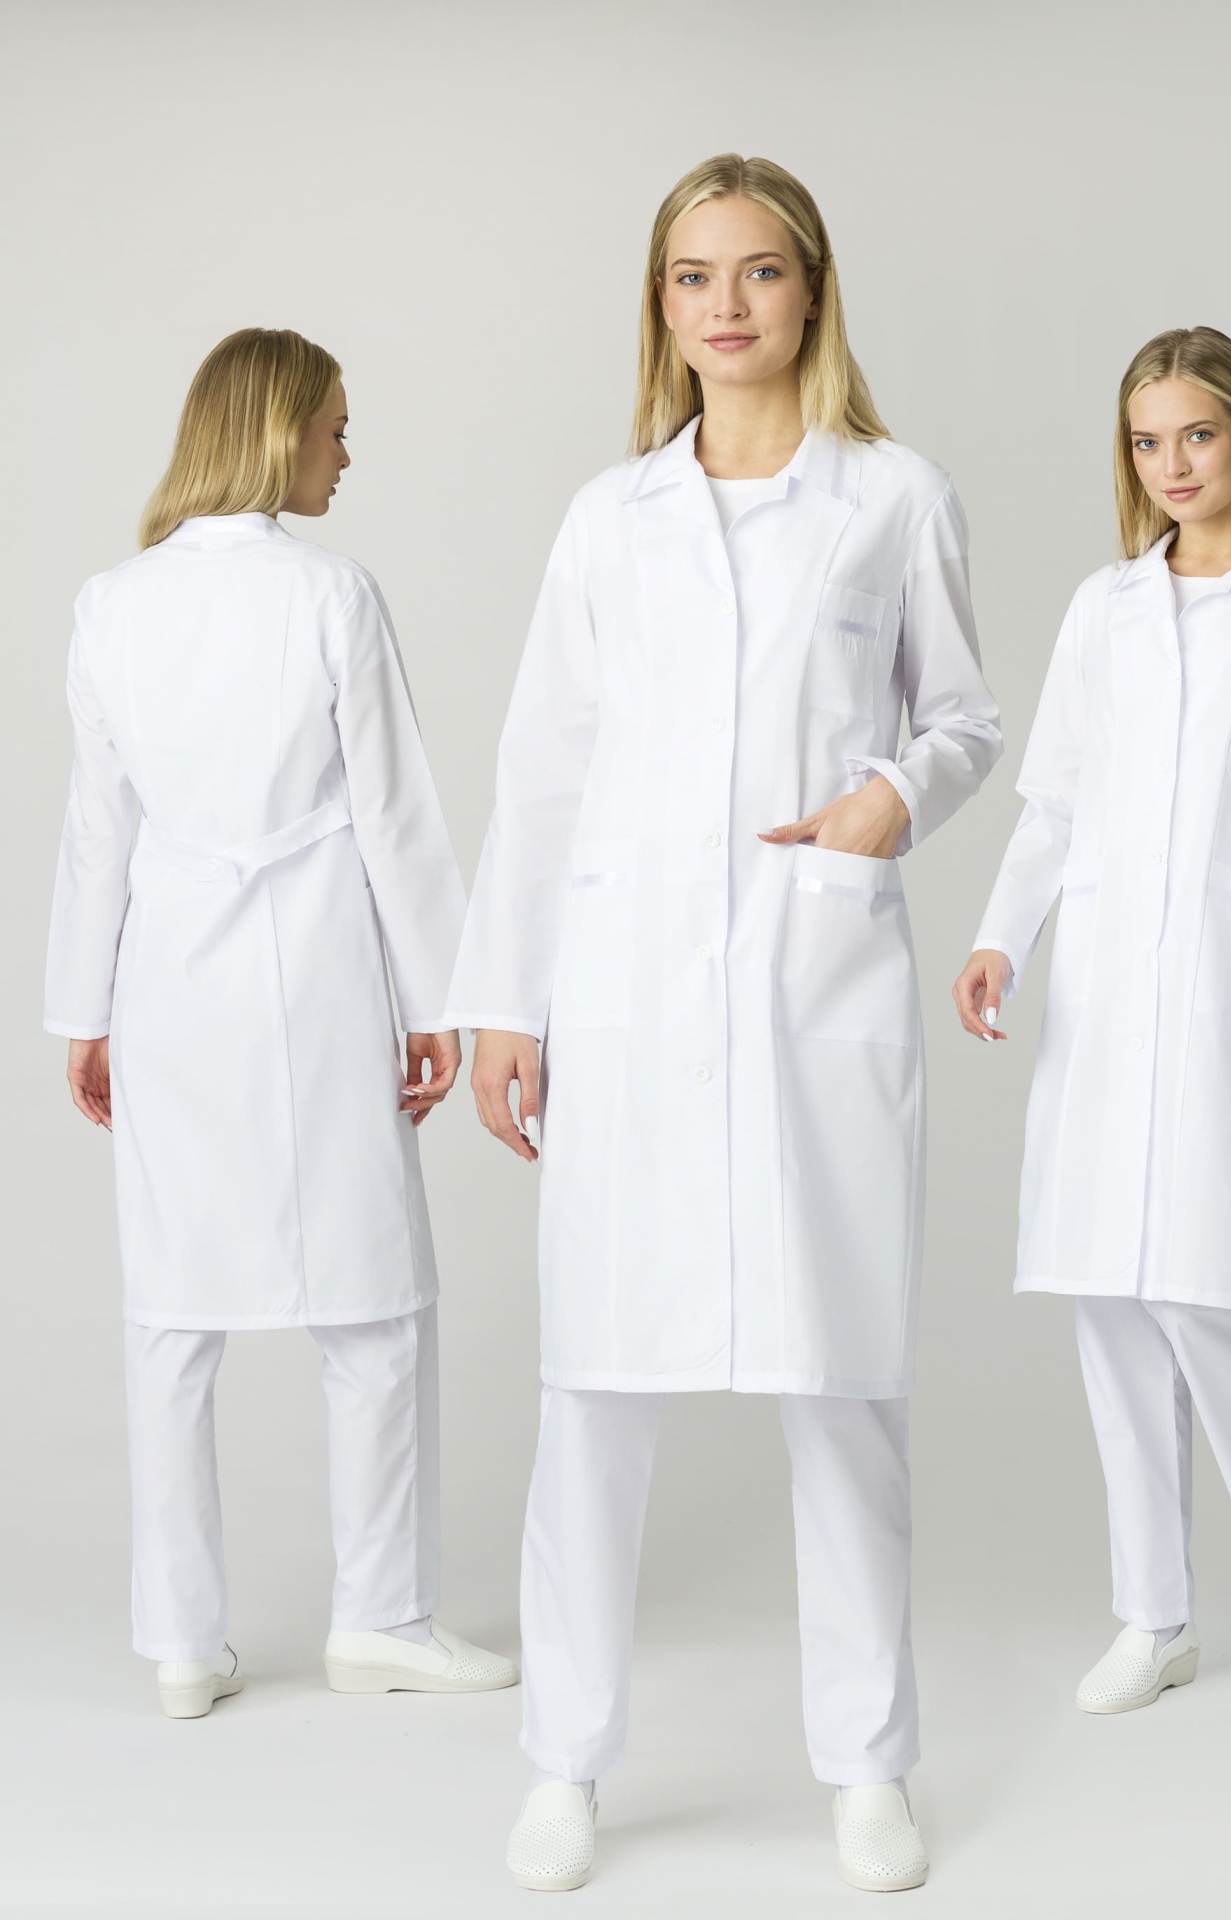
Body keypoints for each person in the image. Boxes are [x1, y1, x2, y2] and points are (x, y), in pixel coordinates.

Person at [447, 155, 1002, 1890]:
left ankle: (869, 1766)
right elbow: (544, 768)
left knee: (844, 1388)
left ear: (812, 289)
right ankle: (564, 1765)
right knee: (594, 1392)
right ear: (662, 306)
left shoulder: (892, 497)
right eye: (694, 277)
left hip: (812, 986)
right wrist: (504, 1002)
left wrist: (890, 801)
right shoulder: (610, 518)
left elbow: (967, 719)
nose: (728, 305)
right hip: (625, 993)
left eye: (759, 272)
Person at [46, 328, 517, 1718]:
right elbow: (393, 809)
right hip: (317, 974)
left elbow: (97, 828)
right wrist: (441, 999)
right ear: (276, 431)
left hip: (168, 982)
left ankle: (182, 1645)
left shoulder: (109, 604)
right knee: (372, 1304)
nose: (347, 456)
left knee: (171, 1315)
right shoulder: (330, 592)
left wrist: (84, 1008)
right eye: (334, 429)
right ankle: (381, 1617)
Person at [954, 326, 1231, 1714]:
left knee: (1211, 1287)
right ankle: (1155, 1614)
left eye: (1197, 435)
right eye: (1148, 443)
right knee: (1111, 1298)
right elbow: (1058, 797)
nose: (1173, 466)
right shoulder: (1106, 608)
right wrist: (1000, 935)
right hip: (1106, 991)